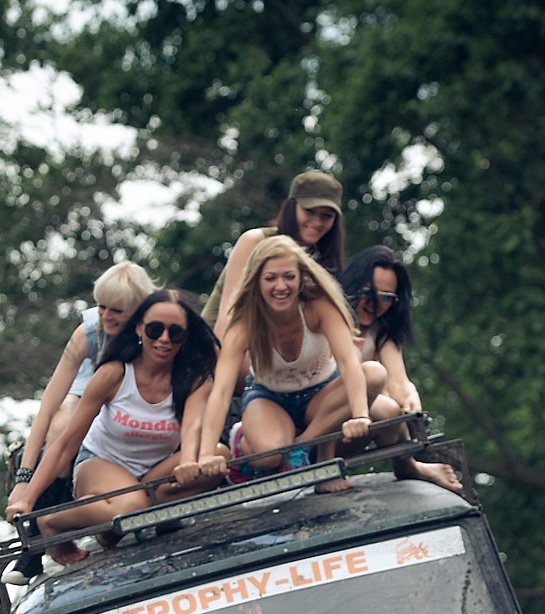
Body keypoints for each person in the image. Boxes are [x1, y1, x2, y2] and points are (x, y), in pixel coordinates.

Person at [5, 290, 226, 566]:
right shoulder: (114, 373)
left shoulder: (195, 379)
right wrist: (28, 497)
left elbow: (193, 428)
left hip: (152, 474)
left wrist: (191, 462)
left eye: (176, 333)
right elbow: (66, 444)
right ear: (139, 329)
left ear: (186, 337)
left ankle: (115, 523)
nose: (164, 339)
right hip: (101, 463)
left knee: (219, 455)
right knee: (132, 507)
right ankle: (53, 521)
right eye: (155, 329)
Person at [179, 235, 383, 496]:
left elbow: (348, 361)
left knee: (374, 374)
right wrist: (207, 453)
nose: (281, 286)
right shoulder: (244, 323)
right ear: (256, 281)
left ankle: (304, 446)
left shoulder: (318, 305)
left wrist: (360, 414)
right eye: (270, 278)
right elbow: (221, 390)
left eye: (289, 276)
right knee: (268, 456)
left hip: (321, 398)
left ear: (301, 278)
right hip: (270, 398)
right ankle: (247, 438)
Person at [3, 261, 156, 584]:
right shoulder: (91, 332)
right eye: (101, 306)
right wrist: (24, 479)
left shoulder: (163, 333)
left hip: (143, 412)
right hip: (97, 399)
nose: (106, 316)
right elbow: (49, 405)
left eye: (117, 310)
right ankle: (37, 541)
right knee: (63, 423)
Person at [340, 245, 462, 492]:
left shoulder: (382, 331)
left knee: (393, 405)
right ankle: (408, 464)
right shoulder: (332, 318)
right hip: (324, 416)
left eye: (386, 297)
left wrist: (410, 398)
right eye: (369, 293)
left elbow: (398, 380)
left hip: (361, 425)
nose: (375, 303)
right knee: (382, 398)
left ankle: (407, 464)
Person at [201, 170, 345, 341]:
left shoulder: (322, 261)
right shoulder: (256, 241)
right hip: (218, 347)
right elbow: (228, 315)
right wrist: (225, 364)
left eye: (326, 216)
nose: (317, 222)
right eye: (310, 211)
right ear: (292, 207)